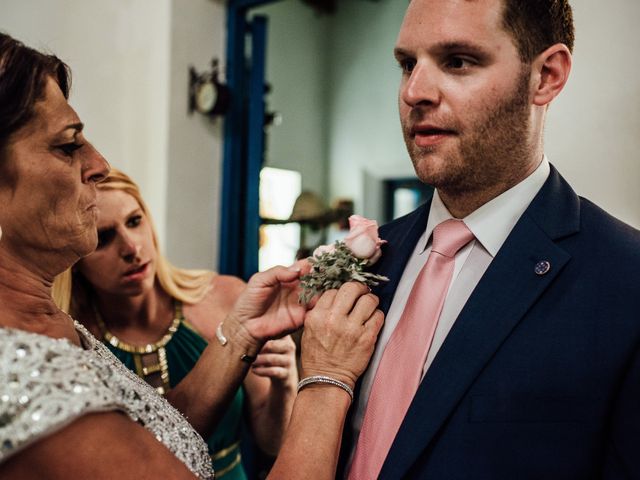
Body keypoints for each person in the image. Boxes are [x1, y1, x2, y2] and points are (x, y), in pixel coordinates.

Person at [0, 32, 384, 480]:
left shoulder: (41, 319)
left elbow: (150, 446)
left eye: (135, 221)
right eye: (68, 145)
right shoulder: (17, 373)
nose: (99, 164)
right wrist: (328, 378)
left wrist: (239, 334)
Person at [342, 1, 640, 479]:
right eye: (406, 64)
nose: (414, 91)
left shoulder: (626, 281)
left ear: (546, 76)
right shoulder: (373, 258)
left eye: (458, 61)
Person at [53, 168, 297, 478]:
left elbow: (273, 444)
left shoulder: (225, 298)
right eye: (104, 237)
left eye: (134, 221)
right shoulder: (71, 338)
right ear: (74, 260)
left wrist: (284, 382)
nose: (131, 248)